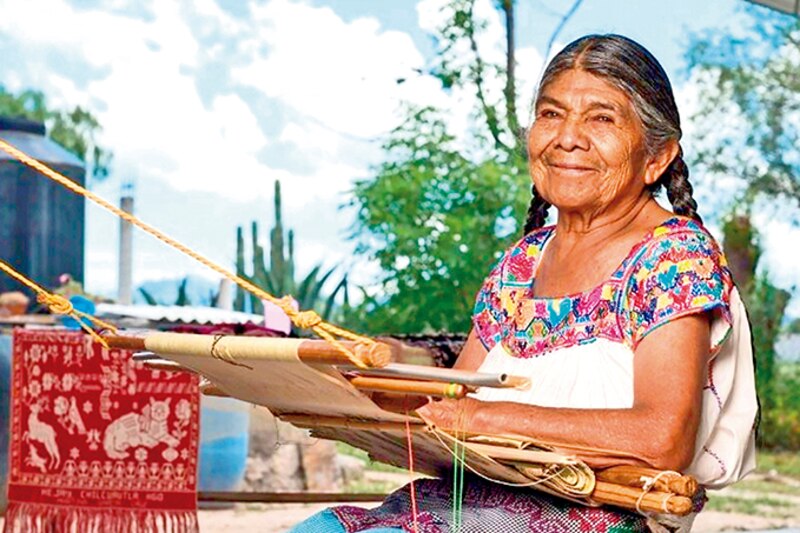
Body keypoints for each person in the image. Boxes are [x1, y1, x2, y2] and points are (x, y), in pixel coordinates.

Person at [290, 34, 758, 533]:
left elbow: (662, 438)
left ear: (657, 156)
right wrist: (377, 376)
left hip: (595, 516)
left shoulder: (672, 256)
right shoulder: (522, 262)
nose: (567, 138)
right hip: (467, 502)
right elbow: (455, 400)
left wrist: (483, 419)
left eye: (601, 119)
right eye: (551, 113)